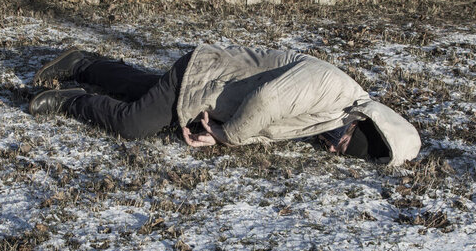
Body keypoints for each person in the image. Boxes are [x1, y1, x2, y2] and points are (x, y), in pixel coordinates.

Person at [29, 45, 421, 165]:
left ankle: (83, 63)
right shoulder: (332, 88)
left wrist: (217, 131)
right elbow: (267, 102)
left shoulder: (333, 115)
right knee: (135, 123)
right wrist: (225, 135)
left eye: (343, 153)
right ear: (364, 120)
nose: (335, 148)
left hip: (213, 92)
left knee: (142, 88)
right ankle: (74, 102)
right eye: (346, 141)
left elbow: (268, 126)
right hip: (207, 74)